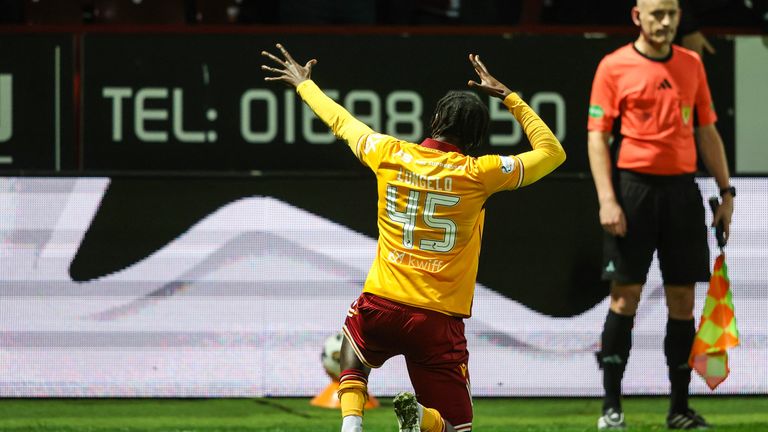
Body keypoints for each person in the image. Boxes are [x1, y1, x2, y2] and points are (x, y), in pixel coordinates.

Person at [262, 43, 565, 432]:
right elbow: (552, 153)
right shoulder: (479, 173)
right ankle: (423, 419)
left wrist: (305, 85)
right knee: (456, 427)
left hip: (381, 305)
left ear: (436, 119)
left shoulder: (388, 152)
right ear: (476, 136)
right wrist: (510, 98)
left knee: (353, 350)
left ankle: (351, 424)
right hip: (435, 320)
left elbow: (341, 122)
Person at [587, 0, 735, 429]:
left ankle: (679, 408)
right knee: (623, 298)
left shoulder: (691, 64)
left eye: (671, 13)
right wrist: (607, 199)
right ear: (637, 16)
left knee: (684, 302)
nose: (665, 22)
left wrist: (726, 192)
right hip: (633, 192)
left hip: (682, 193)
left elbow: (706, 130)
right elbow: (597, 138)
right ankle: (611, 407)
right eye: (657, 14)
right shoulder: (613, 66)